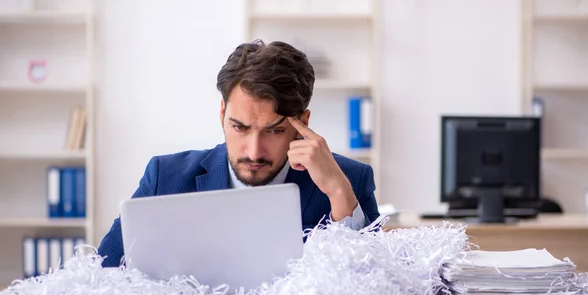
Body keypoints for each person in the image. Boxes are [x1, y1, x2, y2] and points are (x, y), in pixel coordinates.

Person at [97, 40, 380, 267]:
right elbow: (100, 276)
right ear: (223, 114)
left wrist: (339, 194)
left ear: (302, 125)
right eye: (240, 127)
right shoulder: (165, 177)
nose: (254, 152)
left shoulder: (351, 180)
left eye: (274, 131)